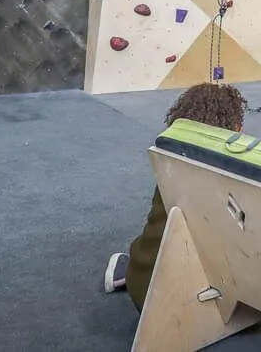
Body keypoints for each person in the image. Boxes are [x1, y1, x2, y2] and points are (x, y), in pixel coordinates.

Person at [106, 81, 247, 307]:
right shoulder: (236, 175)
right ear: (236, 127)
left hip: (140, 283)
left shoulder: (170, 162)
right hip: (182, 301)